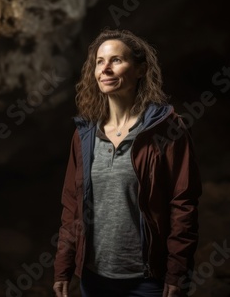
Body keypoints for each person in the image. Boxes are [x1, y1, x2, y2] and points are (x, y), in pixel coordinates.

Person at [52, 29, 202, 297]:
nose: (105, 69)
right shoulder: (84, 133)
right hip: (95, 280)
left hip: (148, 280)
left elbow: (183, 205)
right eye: (100, 62)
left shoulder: (166, 129)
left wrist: (177, 273)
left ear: (141, 69)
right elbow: (71, 206)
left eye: (116, 60)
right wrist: (63, 266)